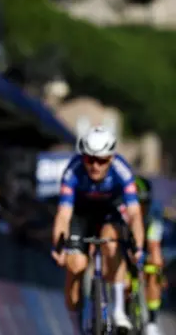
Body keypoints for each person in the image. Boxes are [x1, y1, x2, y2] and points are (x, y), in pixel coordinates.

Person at [51, 126, 144, 331]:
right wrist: (58, 245)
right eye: (89, 159)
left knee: (111, 243)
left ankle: (118, 310)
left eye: (101, 160)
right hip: (81, 215)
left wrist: (138, 245)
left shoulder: (122, 171)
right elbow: (64, 214)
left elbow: (135, 214)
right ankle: (76, 327)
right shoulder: (73, 171)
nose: (95, 166)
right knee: (75, 266)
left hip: (109, 213)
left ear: (111, 158)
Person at [131, 176, 164, 335]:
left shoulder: (154, 212)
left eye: (143, 203)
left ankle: (152, 320)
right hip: (127, 245)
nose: (139, 208)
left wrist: (155, 262)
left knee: (154, 271)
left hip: (147, 245)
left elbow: (154, 244)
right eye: (136, 203)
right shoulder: (123, 210)